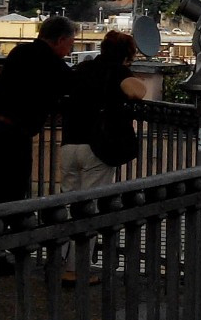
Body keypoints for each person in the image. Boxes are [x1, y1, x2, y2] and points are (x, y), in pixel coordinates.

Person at [56, 31, 149, 281]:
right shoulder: (117, 72)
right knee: (90, 209)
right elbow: (137, 92)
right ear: (127, 55)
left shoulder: (84, 69)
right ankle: (77, 270)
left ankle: (57, 263)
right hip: (96, 147)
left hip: (69, 144)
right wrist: (131, 74)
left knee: (66, 205)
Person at [0, 15, 75, 206]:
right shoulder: (51, 63)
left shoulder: (20, 51)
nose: (68, 52)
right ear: (60, 40)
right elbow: (76, 86)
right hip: (10, 135)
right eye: (70, 45)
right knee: (11, 195)